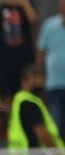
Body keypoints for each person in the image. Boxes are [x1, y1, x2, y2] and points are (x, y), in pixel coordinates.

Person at [7, 64, 64, 155]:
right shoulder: (29, 103)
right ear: (26, 79)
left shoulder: (18, 99)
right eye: (37, 78)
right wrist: (55, 153)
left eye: (43, 78)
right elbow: (41, 132)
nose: (42, 82)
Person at [0, 0, 38, 108]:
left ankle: (25, 112)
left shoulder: (26, 3)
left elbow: (34, 20)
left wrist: (24, 3)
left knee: (25, 88)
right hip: (4, 56)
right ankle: (9, 118)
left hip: (23, 55)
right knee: (6, 92)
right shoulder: (0, 5)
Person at [37, 0, 65, 128]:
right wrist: (39, 75)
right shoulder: (49, 25)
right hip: (53, 83)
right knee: (55, 123)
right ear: (59, 7)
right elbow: (41, 52)